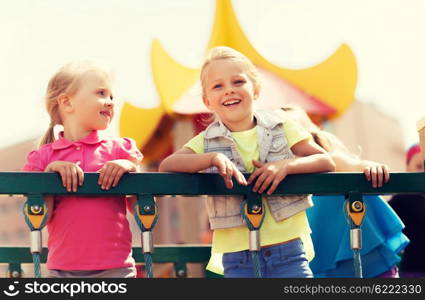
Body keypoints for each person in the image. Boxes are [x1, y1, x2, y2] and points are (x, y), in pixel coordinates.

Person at [159, 46, 336, 278]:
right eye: (218, 86)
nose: (229, 91)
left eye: (238, 82)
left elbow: (325, 161)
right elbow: (167, 165)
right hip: (237, 256)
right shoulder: (206, 140)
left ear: (256, 89)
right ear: (207, 100)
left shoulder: (282, 127)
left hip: (287, 250)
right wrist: (212, 158)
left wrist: (286, 165)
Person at [22, 61, 143, 278]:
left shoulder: (119, 150)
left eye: (112, 96)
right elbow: (39, 218)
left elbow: (141, 208)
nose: (110, 102)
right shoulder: (43, 157)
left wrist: (129, 167)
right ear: (67, 102)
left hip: (116, 269)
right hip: (62, 271)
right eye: (101, 93)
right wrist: (50, 174)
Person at [282, 106, 409, 278]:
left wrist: (371, 167)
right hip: (319, 261)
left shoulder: (330, 160)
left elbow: (355, 165)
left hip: (365, 257)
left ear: (309, 135)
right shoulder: (281, 172)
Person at [389, 144, 425, 277]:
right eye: (419, 166)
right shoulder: (401, 199)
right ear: (407, 168)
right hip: (412, 270)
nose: (423, 171)